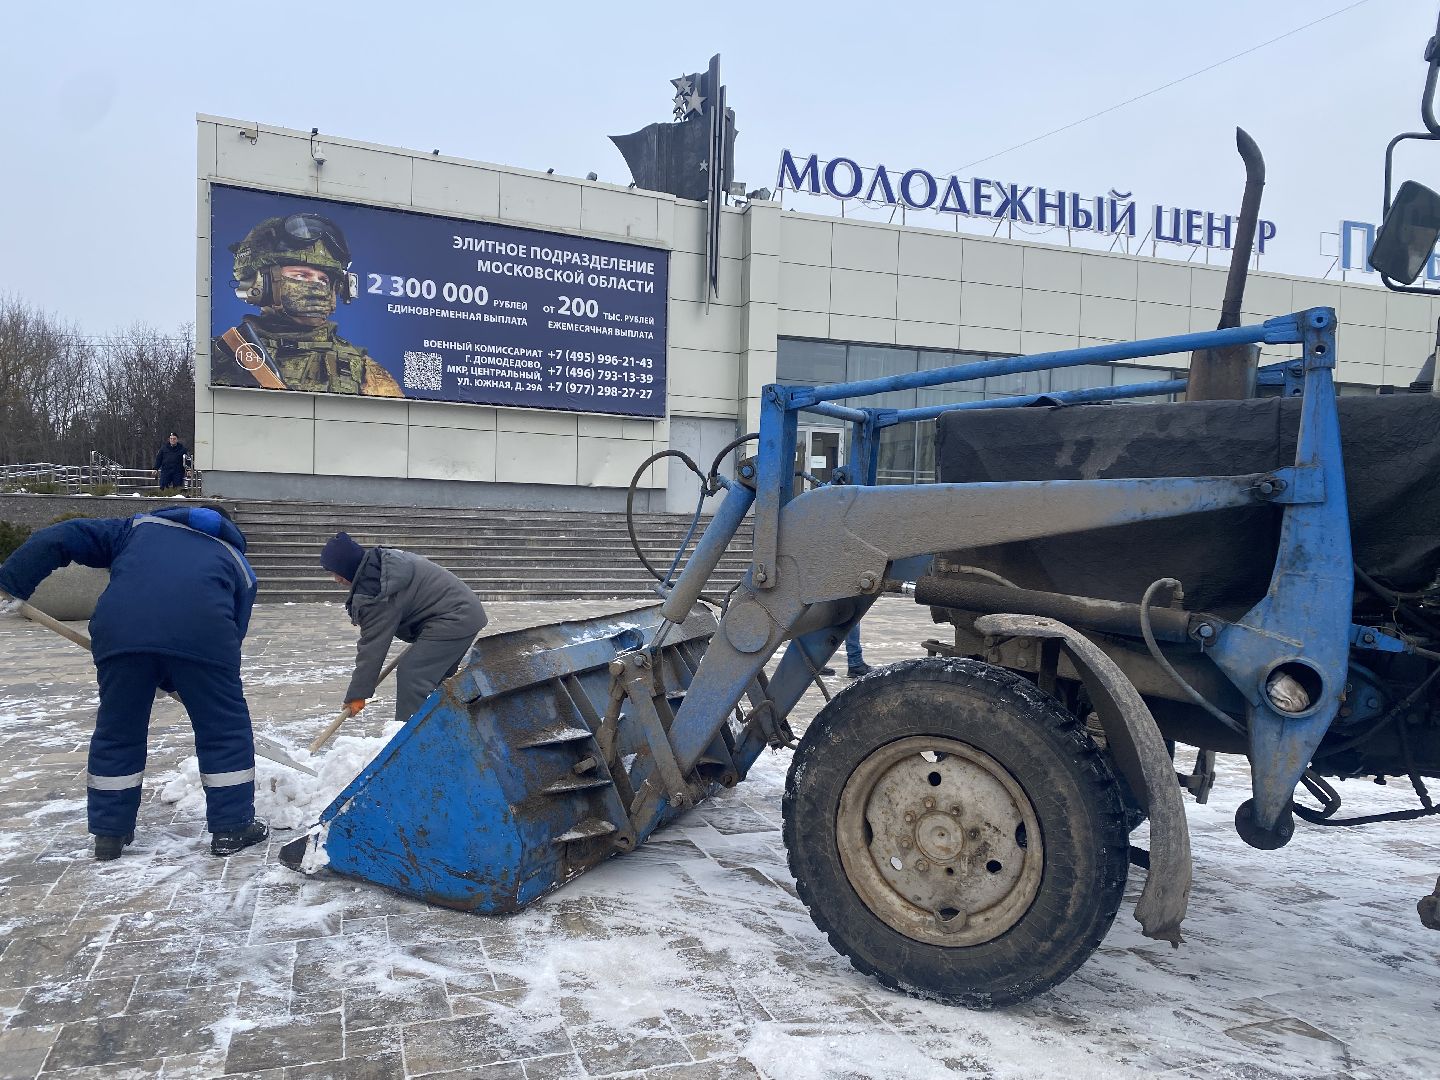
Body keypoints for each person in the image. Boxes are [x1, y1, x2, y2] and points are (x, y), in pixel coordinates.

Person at [0, 506, 267, 860]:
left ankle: (109, 835)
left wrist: (11, 581)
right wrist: (182, 677)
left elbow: (61, 536)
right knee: (224, 730)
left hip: (121, 634)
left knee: (118, 731)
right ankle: (232, 829)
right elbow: (235, 632)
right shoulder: (237, 562)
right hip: (205, 639)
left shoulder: (136, 529)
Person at [213, 212, 403, 398]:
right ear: (261, 283)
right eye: (300, 275)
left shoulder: (364, 371)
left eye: (323, 280)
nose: (316, 286)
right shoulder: (221, 355)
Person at [321, 532, 488, 725]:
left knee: (413, 675)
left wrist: (357, 695)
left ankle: (410, 738)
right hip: (460, 613)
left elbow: (373, 647)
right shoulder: (381, 567)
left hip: (454, 618)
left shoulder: (377, 592)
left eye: (336, 572)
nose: (336, 579)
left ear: (347, 566)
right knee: (437, 681)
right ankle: (446, 725)